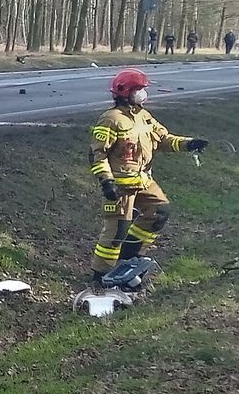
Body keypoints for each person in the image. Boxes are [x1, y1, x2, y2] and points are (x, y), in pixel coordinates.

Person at [87, 68, 207, 280]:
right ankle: (101, 274)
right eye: (139, 89)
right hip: (120, 187)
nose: (143, 93)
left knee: (160, 212)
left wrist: (189, 144)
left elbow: (163, 139)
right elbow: (98, 154)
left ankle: (129, 256)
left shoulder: (144, 117)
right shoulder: (111, 119)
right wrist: (106, 182)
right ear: (126, 92)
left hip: (143, 181)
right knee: (117, 231)